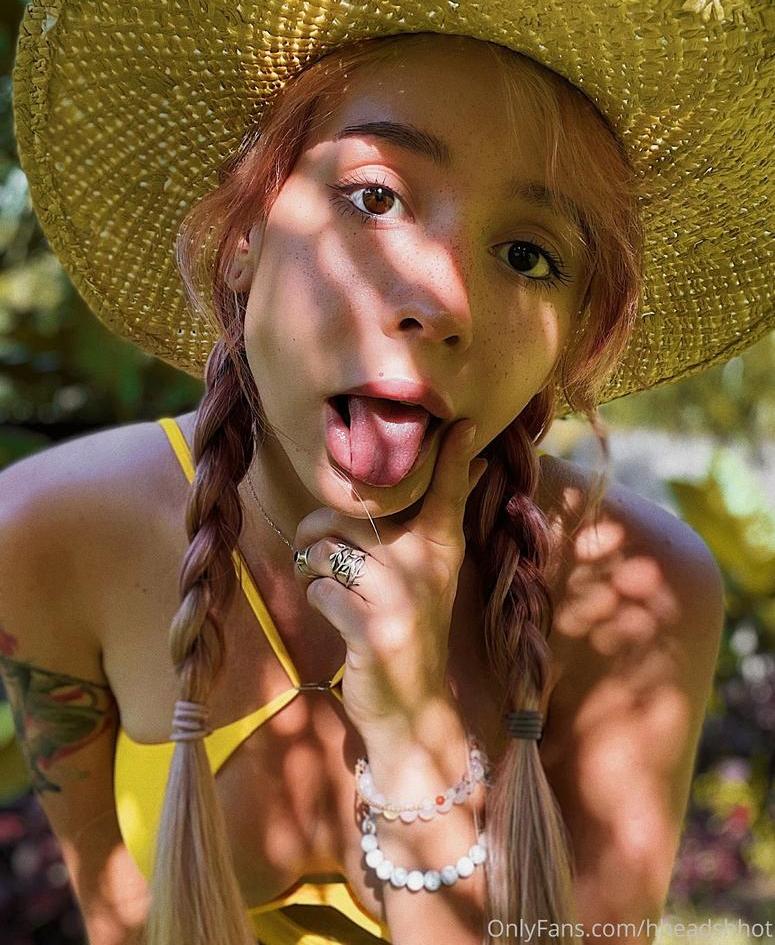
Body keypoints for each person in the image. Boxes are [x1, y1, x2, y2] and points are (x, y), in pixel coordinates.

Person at [1, 2, 771, 944]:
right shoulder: (45, 534)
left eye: (527, 255)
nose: (442, 301)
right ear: (243, 237)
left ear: (570, 337)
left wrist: (414, 735)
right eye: (375, 198)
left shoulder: (645, 589)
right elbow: (118, 916)